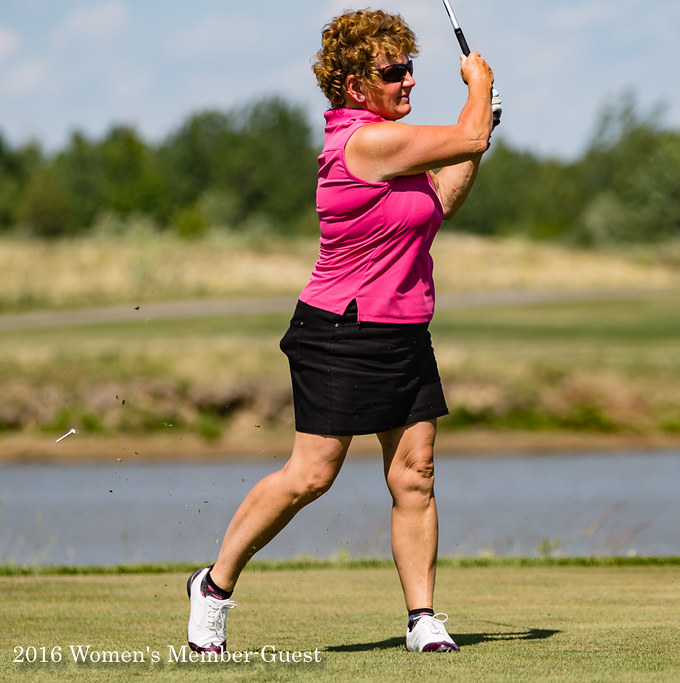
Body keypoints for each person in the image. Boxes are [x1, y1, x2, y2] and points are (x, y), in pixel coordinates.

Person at [186, 8, 499, 654]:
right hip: (340, 329)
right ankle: (213, 587)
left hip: (405, 328)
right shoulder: (363, 142)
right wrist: (480, 85)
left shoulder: (397, 144)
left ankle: (422, 618)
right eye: (393, 71)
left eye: (410, 66)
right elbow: (465, 138)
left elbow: (438, 202)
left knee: (415, 473)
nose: (409, 80)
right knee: (311, 474)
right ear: (355, 85)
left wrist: (481, 133)